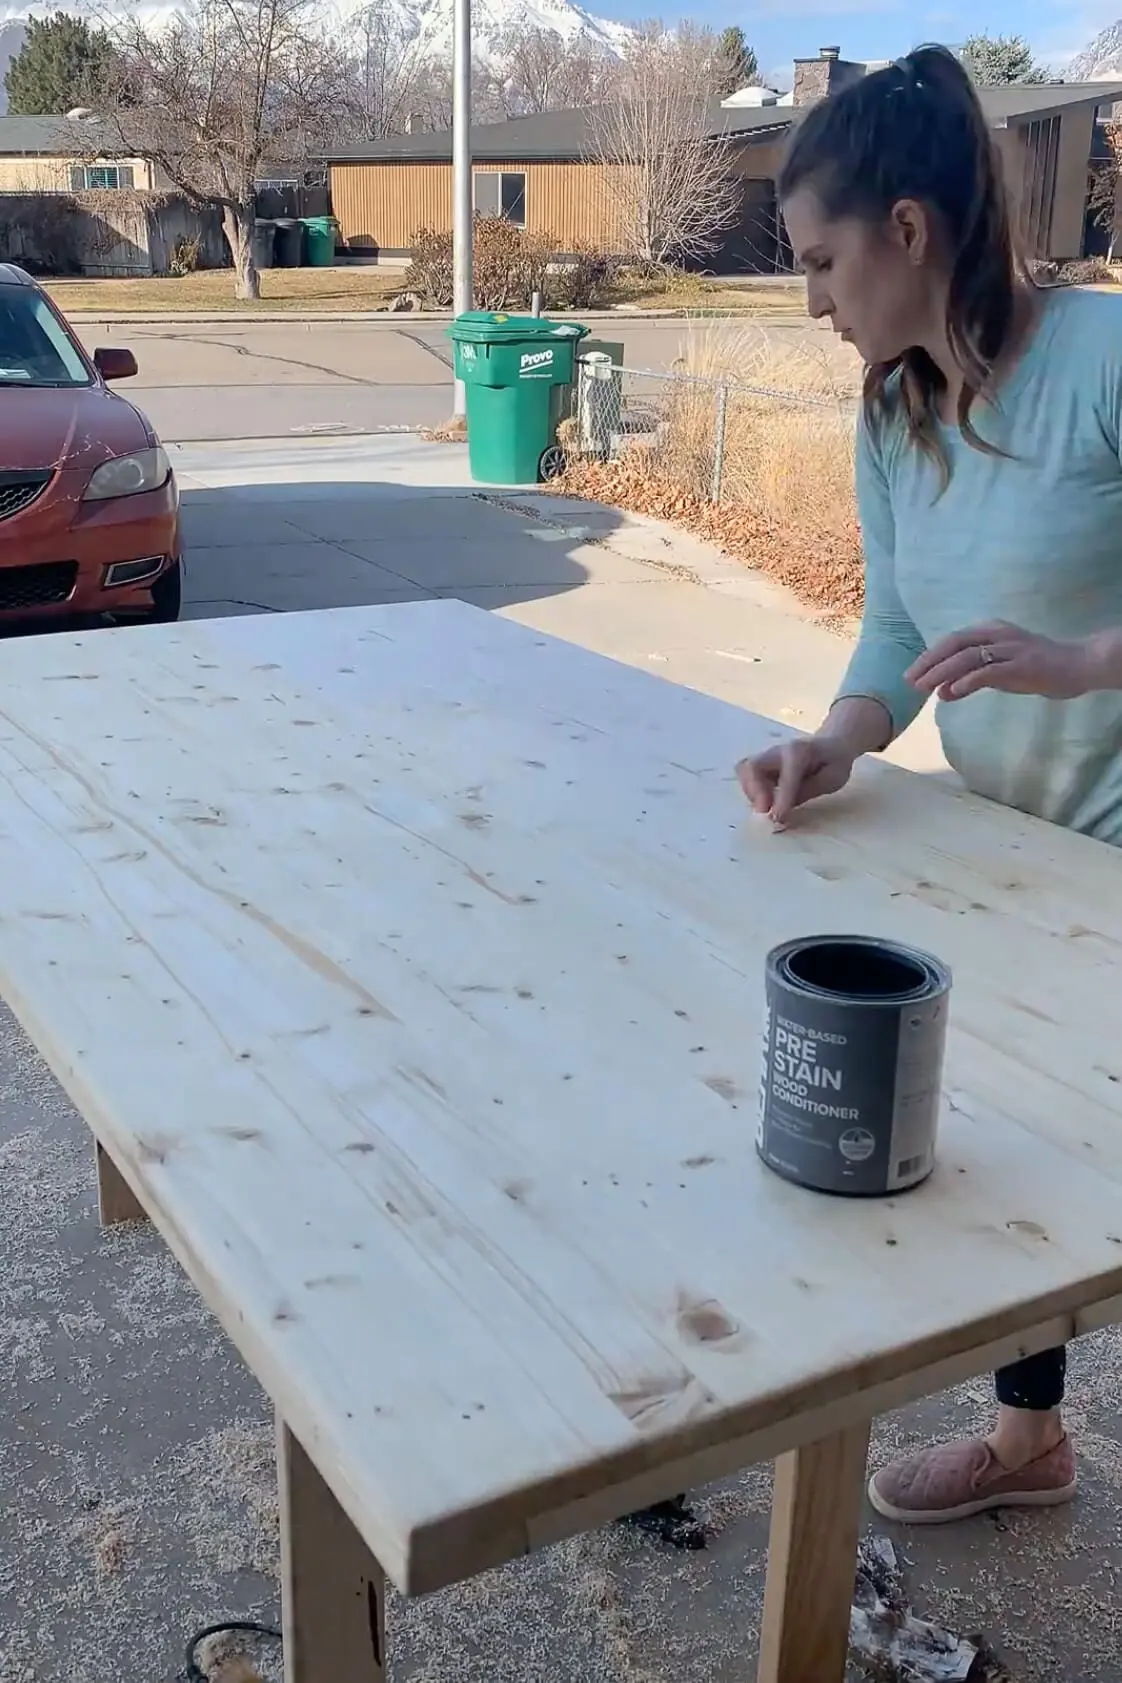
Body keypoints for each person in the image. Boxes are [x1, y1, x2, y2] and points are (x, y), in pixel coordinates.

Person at [737, 43, 1122, 1525]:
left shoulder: (1099, 364)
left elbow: (1056, 652)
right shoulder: (890, 412)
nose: (813, 300)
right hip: (1006, 855)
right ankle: (1032, 1444)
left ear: (908, 231)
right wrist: (834, 740)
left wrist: (1081, 660)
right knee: (1007, 1143)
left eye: (823, 260)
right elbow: (896, 624)